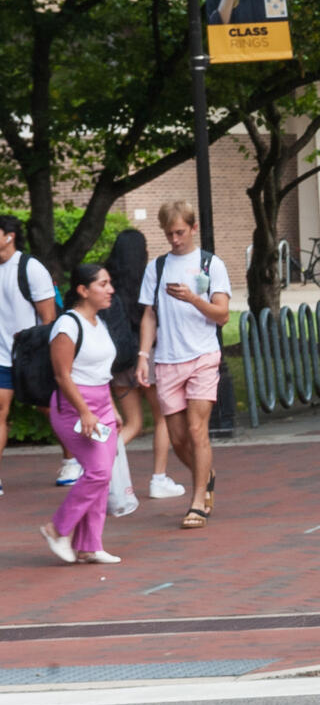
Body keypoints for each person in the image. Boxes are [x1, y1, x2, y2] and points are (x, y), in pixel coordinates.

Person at [135, 202, 232, 530]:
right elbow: (148, 314)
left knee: (196, 429)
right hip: (167, 360)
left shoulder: (210, 264)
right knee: (177, 439)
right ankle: (206, 475)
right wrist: (143, 356)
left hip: (203, 356)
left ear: (192, 228)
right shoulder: (157, 267)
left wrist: (192, 298)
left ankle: (197, 502)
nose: (174, 239)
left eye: (179, 232)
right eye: (169, 234)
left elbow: (222, 314)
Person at [38, 263, 122, 565]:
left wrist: (111, 407)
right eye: (103, 284)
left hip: (101, 405)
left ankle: (89, 545)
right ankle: (57, 528)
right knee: (98, 471)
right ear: (83, 290)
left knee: (102, 475)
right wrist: (86, 412)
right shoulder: (67, 325)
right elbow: (63, 376)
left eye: (110, 283)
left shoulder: (100, 323)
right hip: (74, 407)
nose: (110, 289)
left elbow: (102, 373)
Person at [0, 212, 60, 500]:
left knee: (50, 409)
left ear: (8, 236)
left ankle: (73, 461)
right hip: (0, 356)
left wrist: (43, 356)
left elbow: (48, 319)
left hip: (31, 355)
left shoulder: (30, 268)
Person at [99, 226, 149, 517]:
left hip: (117, 362)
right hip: (143, 356)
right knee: (163, 420)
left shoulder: (108, 281)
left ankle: (101, 457)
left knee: (131, 423)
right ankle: (159, 477)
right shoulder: (146, 278)